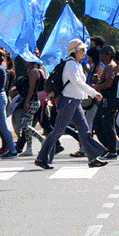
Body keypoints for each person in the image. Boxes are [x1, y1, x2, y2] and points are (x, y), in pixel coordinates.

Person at [35, 39, 108, 170]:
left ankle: (93, 158)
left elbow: (79, 83)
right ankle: (42, 158)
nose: (85, 52)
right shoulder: (71, 65)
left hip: (74, 101)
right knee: (58, 130)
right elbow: (77, 83)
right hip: (68, 101)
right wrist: (93, 92)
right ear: (75, 51)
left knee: (85, 130)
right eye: (82, 49)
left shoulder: (76, 64)